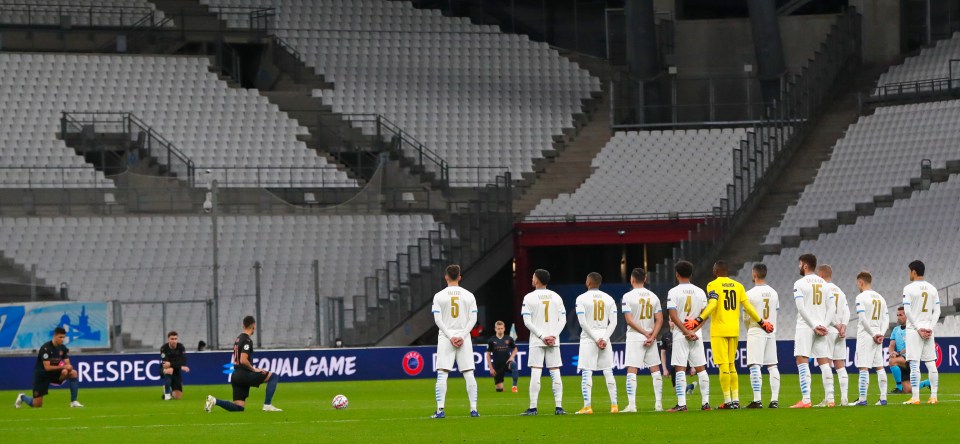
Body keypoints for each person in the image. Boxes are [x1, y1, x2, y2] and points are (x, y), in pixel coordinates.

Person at [685, 260, 772, 409]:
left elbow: (712, 304)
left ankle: (728, 401)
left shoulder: (713, 285)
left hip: (719, 330)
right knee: (732, 365)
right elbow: (748, 307)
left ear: (716, 271)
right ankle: (736, 400)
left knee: (723, 366)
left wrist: (697, 320)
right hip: (734, 330)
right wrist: (762, 322)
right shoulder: (738, 286)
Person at [429, 264, 479, 418]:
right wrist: (462, 336)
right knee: (469, 372)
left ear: (446, 277)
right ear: (459, 277)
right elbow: (473, 319)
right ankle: (473, 409)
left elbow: (437, 320)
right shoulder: (469, 295)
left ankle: (440, 410)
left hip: (446, 338)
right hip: (464, 338)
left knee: (443, 373)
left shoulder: (439, 296)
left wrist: (451, 337)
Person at [204, 316, 282, 413]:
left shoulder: (238, 339)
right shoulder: (247, 340)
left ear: (243, 325)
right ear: (253, 327)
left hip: (236, 375)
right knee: (273, 376)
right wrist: (253, 369)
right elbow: (243, 360)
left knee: (238, 408)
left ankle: (214, 400)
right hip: (245, 374)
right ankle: (267, 405)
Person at [790, 254, 835, 408]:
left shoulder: (799, 283)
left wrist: (813, 325)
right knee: (823, 361)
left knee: (801, 360)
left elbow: (801, 308)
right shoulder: (825, 284)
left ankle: (806, 399)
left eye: (800, 264)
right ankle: (830, 399)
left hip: (806, 326)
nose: (799, 267)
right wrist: (824, 325)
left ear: (805, 265)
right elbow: (832, 308)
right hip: (821, 327)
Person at [520, 269, 567, 416]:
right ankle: (559, 407)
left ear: (537, 280)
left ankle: (533, 408)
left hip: (537, 340)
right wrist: (553, 336)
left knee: (536, 371)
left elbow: (527, 322)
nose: (531, 278)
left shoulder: (529, 297)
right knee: (555, 371)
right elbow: (563, 320)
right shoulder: (556, 297)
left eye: (533, 276)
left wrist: (542, 336)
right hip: (553, 341)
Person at [665, 261, 710, 412]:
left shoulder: (673, 292)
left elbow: (673, 314)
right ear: (691, 274)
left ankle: (681, 404)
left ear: (677, 274)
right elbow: (705, 315)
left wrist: (685, 331)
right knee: (701, 369)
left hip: (680, 334)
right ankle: (705, 403)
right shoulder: (700, 292)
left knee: (680, 369)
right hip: (696, 335)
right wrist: (694, 330)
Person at [574, 272, 619, 415]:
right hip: (605, 335)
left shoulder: (581, 298)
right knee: (608, 371)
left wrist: (595, 338)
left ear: (588, 282)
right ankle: (614, 405)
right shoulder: (609, 298)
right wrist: (604, 338)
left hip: (589, 338)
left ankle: (587, 407)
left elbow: (582, 322)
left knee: (587, 372)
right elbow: (614, 322)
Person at [621, 267, 664, 413]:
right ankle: (658, 404)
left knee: (632, 370)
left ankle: (632, 405)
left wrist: (644, 333)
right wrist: (652, 336)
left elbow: (629, 320)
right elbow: (660, 319)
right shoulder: (654, 297)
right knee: (655, 369)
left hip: (635, 336)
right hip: (651, 336)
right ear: (645, 279)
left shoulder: (628, 296)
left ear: (632, 279)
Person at [901, 260, 940, 405]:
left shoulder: (908, 289)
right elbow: (938, 311)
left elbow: (907, 311)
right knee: (931, 363)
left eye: (909, 271)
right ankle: (933, 397)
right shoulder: (932, 289)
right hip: (928, 330)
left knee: (915, 364)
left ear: (914, 271)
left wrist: (918, 328)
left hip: (914, 330)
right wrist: (930, 327)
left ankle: (916, 397)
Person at [15, 327, 83, 409]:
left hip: (55, 374)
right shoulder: (46, 348)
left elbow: (68, 364)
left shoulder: (63, 348)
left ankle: (73, 401)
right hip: (42, 375)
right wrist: (64, 367)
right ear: (54, 336)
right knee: (37, 405)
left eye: (63, 337)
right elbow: (47, 367)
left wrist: (67, 369)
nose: (62, 339)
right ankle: (22, 397)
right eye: (60, 337)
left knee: (73, 373)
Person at [744, 263, 781, 409]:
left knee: (755, 365)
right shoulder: (774, 293)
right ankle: (774, 400)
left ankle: (757, 400)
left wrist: (750, 329)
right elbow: (776, 313)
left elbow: (746, 317)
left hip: (756, 330)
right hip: (771, 331)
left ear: (754, 275)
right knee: (772, 365)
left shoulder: (749, 294)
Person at [850, 271, 889, 406]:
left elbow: (862, 318)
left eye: (857, 283)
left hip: (867, 335)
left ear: (860, 282)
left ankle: (862, 399)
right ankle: (883, 398)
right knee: (879, 366)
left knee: (863, 367)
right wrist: (881, 333)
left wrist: (872, 334)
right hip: (878, 334)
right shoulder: (880, 298)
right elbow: (886, 319)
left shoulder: (861, 297)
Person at [817, 264, 851, 407]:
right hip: (840, 332)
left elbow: (826, 311)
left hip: (829, 329)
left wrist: (836, 325)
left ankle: (829, 398)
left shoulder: (822, 289)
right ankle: (844, 398)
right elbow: (847, 311)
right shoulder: (840, 291)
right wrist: (843, 326)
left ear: (820, 275)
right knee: (840, 365)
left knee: (825, 363)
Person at [888, 307, 930, 394]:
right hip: (901, 360)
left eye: (901, 315)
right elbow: (891, 345)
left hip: (910, 358)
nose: (898, 317)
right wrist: (891, 352)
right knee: (908, 390)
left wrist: (898, 353)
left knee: (892, 361)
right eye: (897, 315)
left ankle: (898, 387)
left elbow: (912, 346)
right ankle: (928, 382)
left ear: (906, 316)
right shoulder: (896, 330)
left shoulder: (912, 329)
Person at [486, 321, 518, 393]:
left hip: (507, 363)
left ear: (504, 329)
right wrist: (491, 368)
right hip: (497, 366)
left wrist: (511, 358)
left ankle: (514, 387)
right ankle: (501, 388)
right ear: (495, 329)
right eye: (498, 328)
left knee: (514, 364)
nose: (500, 330)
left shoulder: (509, 338)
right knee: (499, 389)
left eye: (501, 328)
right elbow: (488, 354)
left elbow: (515, 349)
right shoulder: (491, 340)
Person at [161, 331, 190, 400]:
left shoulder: (181, 347)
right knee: (169, 369)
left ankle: (168, 390)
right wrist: (179, 365)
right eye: (172, 339)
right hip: (165, 369)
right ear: (168, 339)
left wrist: (172, 364)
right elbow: (166, 364)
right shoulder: (164, 348)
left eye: (175, 339)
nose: (174, 341)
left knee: (177, 397)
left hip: (177, 370)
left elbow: (183, 361)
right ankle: (167, 395)